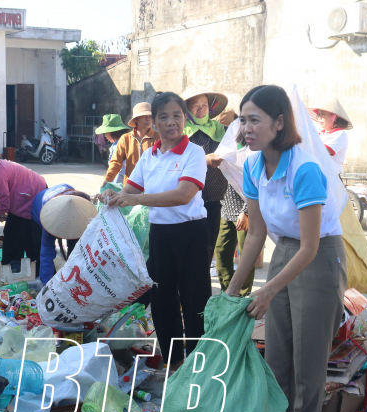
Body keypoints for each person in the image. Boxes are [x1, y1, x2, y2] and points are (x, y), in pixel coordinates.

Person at [225, 85, 347, 412]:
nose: (246, 128)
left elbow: (310, 246)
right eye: (242, 120)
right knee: (277, 355)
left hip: (320, 257)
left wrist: (269, 288)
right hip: (283, 253)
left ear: (279, 123)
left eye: (255, 120)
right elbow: (256, 234)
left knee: (308, 361)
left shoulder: (305, 168)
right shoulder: (251, 166)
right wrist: (230, 292)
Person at [104, 92, 211, 371]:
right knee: (163, 302)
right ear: (154, 122)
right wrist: (110, 196)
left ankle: (197, 366)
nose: (171, 122)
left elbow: (183, 195)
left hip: (192, 234)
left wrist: (135, 199)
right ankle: (175, 363)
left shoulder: (194, 152)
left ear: (185, 119)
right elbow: (130, 189)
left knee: (194, 299)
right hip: (161, 235)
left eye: (177, 115)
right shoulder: (150, 156)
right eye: (163, 116)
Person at [181, 88, 231, 263]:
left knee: (209, 244)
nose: (201, 109)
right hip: (188, 199)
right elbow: (175, 160)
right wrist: (204, 159)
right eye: (195, 106)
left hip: (215, 197)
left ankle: (202, 280)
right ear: (187, 109)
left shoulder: (221, 130)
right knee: (190, 245)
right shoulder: (180, 132)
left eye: (204, 105)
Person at [213, 108, 255, 295]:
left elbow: (256, 182)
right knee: (221, 249)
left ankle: (243, 293)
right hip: (228, 203)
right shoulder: (225, 146)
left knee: (247, 253)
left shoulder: (254, 147)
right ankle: (227, 290)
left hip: (248, 206)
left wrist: (246, 211)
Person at [33, 187, 96, 284]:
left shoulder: (76, 201)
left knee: (75, 245)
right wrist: (46, 285)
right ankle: (47, 278)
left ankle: (73, 276)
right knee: (43, 249)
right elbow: (46, 253)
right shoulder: (49, 217)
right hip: (41, 206)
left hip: (65, 197)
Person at [102, 102, 158, 186]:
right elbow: (116, 162)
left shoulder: (158, 138)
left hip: (152, 186)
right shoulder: (125, 138)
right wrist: (107, 179)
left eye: (150, 116)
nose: (148, 119)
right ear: (136, 119)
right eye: (144, 116)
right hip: (130, 187)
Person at [309, 98, 352, 174]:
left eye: (323, 114)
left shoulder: (339, 134)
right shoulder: (319, 134)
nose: (319, 117)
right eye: (319, 114)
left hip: (331, 179)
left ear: (334, 117)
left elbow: (323, 151)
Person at [94, 114, 131, 184]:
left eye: (106, 133)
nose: (105, 136)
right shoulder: (126, 142)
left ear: (113, 132)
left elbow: (120, 169)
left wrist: (113, 185)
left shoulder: (117, 146)